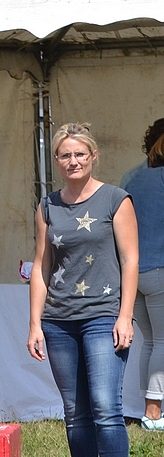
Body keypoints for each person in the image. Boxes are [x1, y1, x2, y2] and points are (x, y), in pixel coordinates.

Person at [27, 122, 138, 456]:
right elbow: (40, 266)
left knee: (106, 408)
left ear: (93, 156)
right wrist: (35, 324)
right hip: (58, 321)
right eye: (65, 155)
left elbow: (130, 259)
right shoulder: (47, 206)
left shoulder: (116, 200)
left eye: (79, 154)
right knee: (76, 415)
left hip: (103, 316)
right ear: (57, 160)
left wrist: (125, 317)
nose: (72, 160)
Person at [122, 118, 164, 430]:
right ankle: (153, 413)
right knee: (161, 341)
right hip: (160, 269)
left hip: (132, 274)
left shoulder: (130, 177)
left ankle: (151, 412)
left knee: (150, 340)